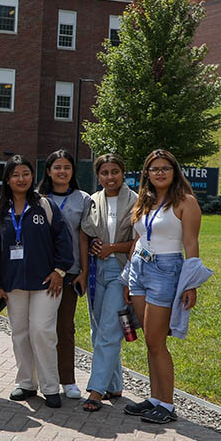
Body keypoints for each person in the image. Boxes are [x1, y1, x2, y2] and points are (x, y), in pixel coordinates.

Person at [122, 149, 209, 424]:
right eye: (154, 168)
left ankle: (168, 405)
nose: (159, 173)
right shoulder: (144, 201)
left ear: (174, 172)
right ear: (146, 173)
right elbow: (138, 237)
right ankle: (155, 398)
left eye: (165, 168)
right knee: (149, 340)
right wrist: (128, 276)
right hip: (139, 269)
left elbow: (191, 245)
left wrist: (190, 285)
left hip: (166, 269)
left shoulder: (186, 202)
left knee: (156, 341)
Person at [0, 154, 74, 408]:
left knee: (42, 331)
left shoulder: (44, 206)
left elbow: (63, 238)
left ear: (33, 176)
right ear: (7, 179)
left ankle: (50, 386)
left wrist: (60, 270)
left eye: (26, 173)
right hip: (13, 283)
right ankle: (26, 383)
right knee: (20, 333)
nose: (21, 178)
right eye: (15, 174)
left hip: (46, 282)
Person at [79, 154, 137, 411]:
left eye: (115, 171)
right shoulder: (93, 200)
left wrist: (112, 247)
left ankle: (96, 390)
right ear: (98, 175)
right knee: (97, 328)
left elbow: (139, 241)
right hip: (95, 270)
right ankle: (114, 384)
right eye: (104, 172)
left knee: (110, 330)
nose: (110, 177)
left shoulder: (135, 201)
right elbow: (85, 233)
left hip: (120, 269)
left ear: (123, 173)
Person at [36, 149, 93, 400]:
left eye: (67, 167)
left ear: (73, 171)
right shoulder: (37, 198)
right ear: (48, 171)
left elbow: (84, 236)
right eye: (57, 167)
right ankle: (38, 379)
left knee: (65, 327)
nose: (62, 172)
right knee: (40, 328)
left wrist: (82, 271)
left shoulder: (83, 199)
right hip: (40, 273)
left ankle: (68, 379)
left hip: (69, 273)